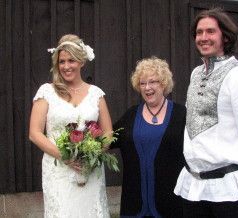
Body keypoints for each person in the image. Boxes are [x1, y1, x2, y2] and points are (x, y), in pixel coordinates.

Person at [174, 8, 238, 218]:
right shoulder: (196, 74)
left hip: (226, 190)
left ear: (225, 36)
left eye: (210, 31)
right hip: (193, 186)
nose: (203, 37)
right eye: (199, 32)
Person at [29, 34, 111, 217]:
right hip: (59, 170)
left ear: (81, 61)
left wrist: (93, 153)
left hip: (90, 171)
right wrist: (65, 156)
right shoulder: (46, 92)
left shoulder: (96, 94)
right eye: (62, 61)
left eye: (71, 60)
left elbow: (108, 132)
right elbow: (35, 133)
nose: (66, 66)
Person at [111, 56, 186, 217]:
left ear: (164, 83)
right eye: (142, 83)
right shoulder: (130, 116)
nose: (147, 88)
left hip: (171, 204)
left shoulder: (182, 115)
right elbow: (107, 139)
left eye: (153, 82)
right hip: (134, 203)